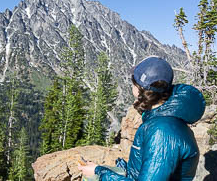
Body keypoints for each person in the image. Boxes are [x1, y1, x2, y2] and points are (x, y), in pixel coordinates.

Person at [78, 56, 206, 181]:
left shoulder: (162, 132)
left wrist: (99, 172)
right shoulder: (161, 120)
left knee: (91, 177)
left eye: (133, 82)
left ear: (140, 89)